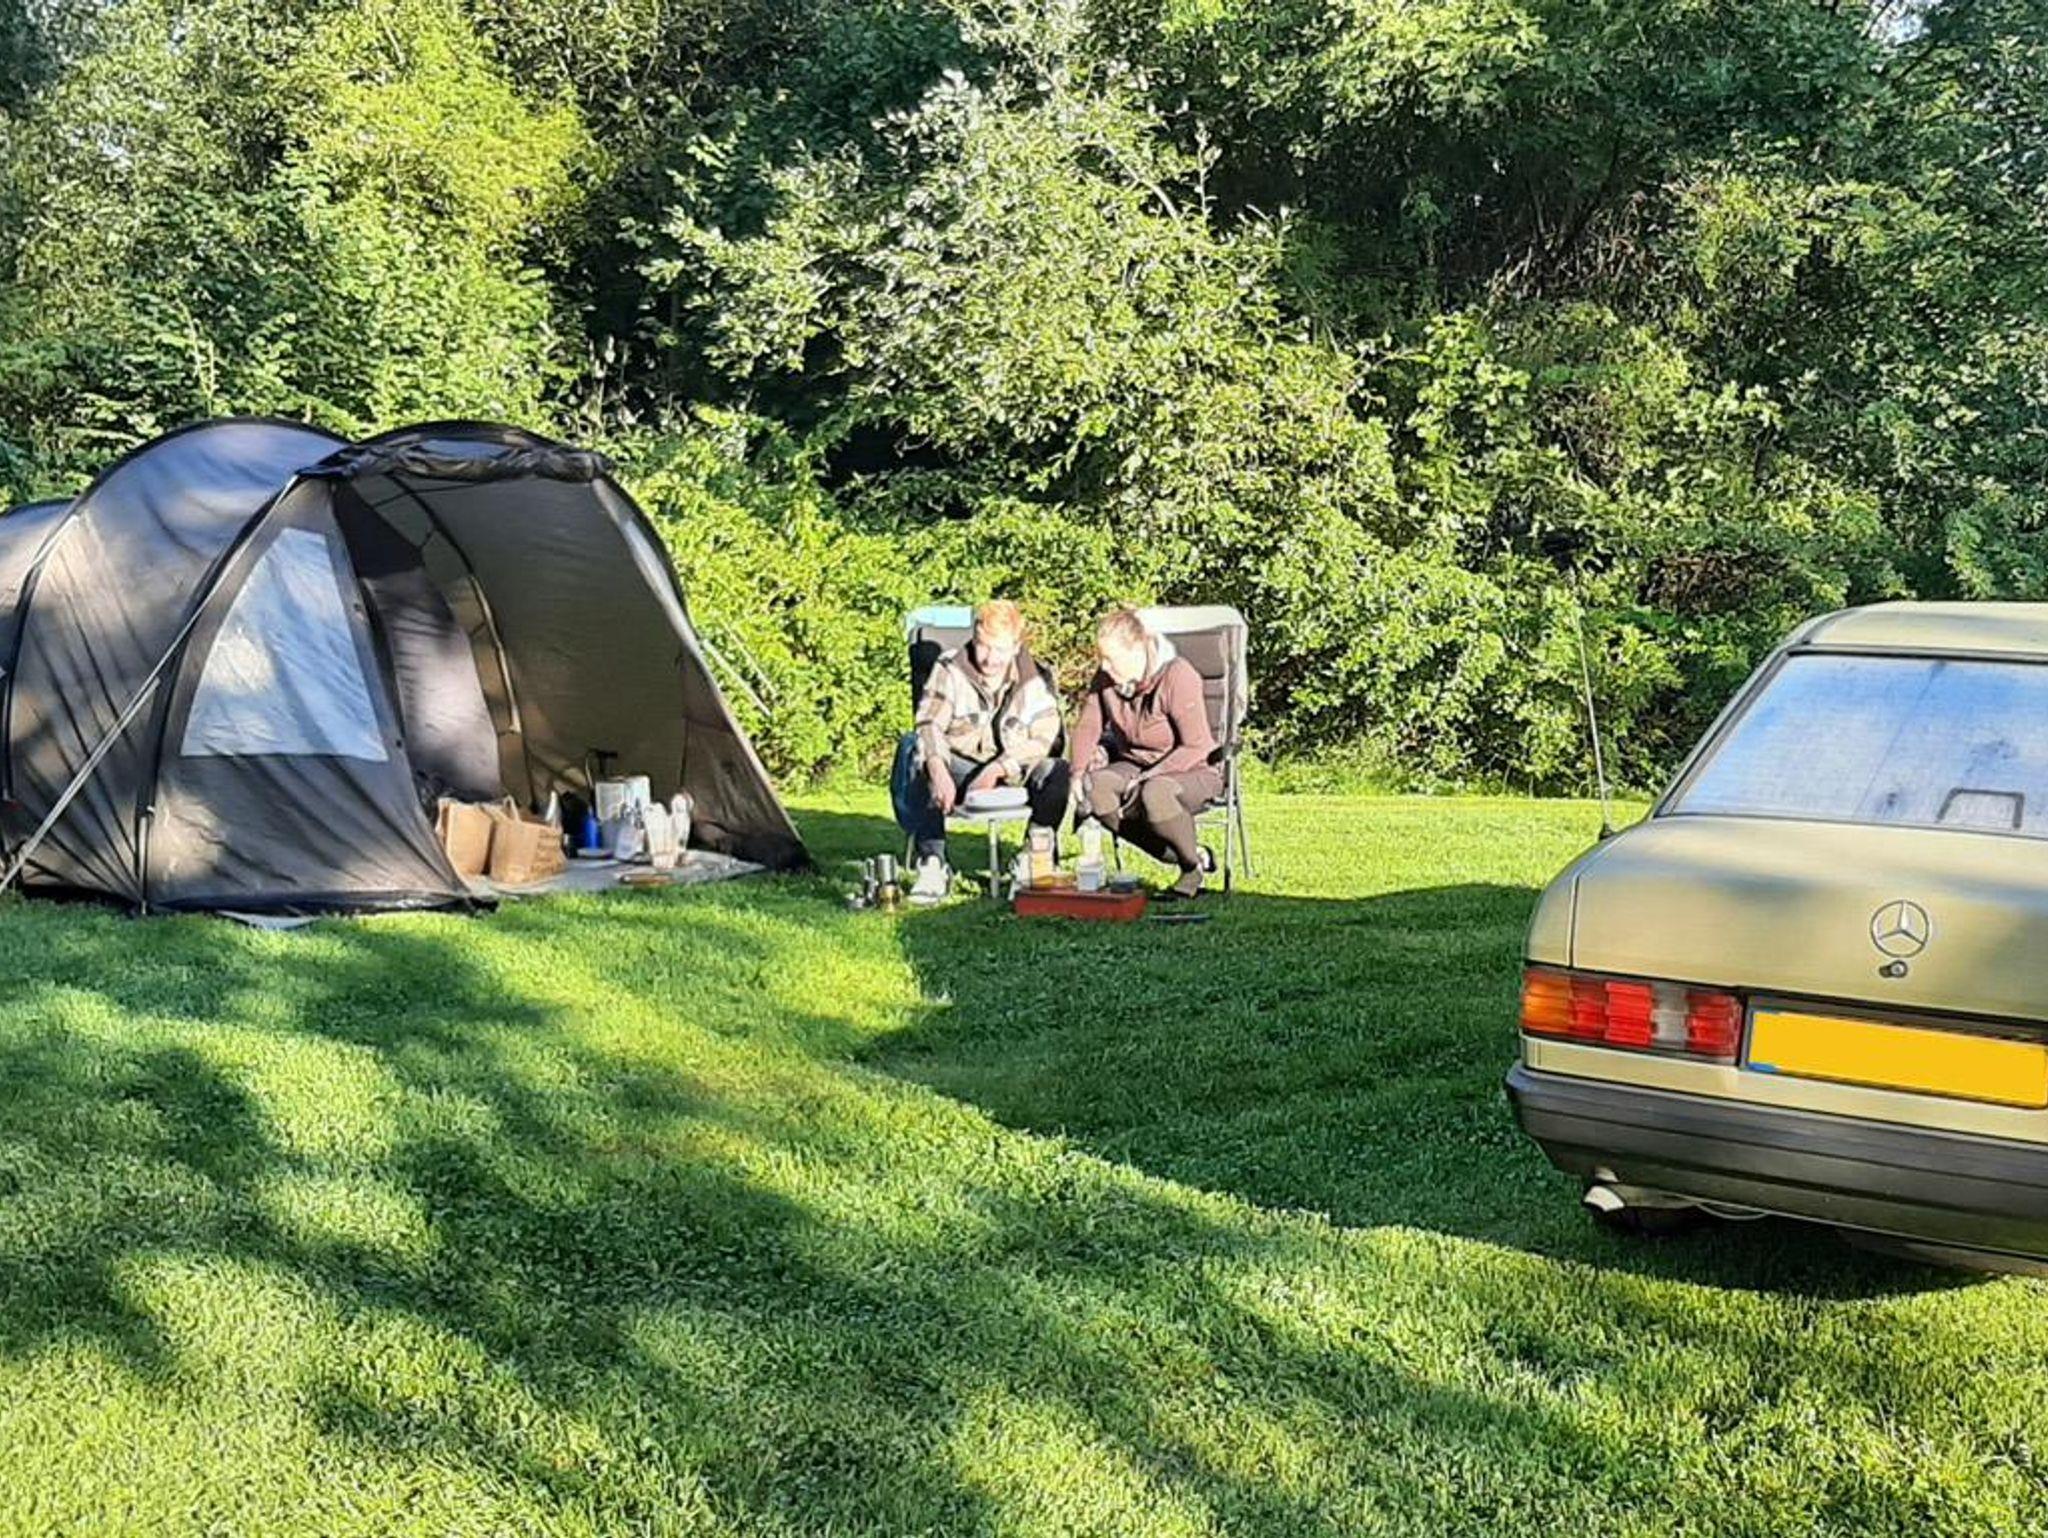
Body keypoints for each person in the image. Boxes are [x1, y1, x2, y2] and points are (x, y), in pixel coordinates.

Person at [892, 599, 1070, 903]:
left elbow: (1046, 739)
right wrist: (937, 767)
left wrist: (999, 768)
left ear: (1015, 647)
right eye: (982, 646)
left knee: (1057, 771)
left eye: (998, 650)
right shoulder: (950, 668)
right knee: (914, 751)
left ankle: (1034, 858)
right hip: (960, 767)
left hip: (1013, 769)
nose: (988, 658)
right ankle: (933, 862)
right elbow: (929, 724)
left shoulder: (1035, 678)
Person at [1068, 606, 1221, 900]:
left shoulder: (1177, 675)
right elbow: (1088, 725)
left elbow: (1196, 745)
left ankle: (1191, 870)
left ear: (1137, 649)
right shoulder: (1106, 680)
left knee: (1155, 793)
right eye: (1101, 658)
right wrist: (1077, 773)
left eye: (1110, 658)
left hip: (1193, 768)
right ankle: (1188, 854)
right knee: (1094, 789)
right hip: (1134, 763)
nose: (1104, 667)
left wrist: (1147, 778)